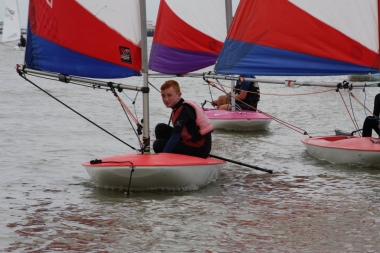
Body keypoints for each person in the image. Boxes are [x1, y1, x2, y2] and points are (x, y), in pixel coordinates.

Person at [153, 80, 213, 158]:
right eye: (163, 96)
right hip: (190, 141)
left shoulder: (184, 109)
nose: (166, 99)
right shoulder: (177, 107)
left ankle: (166, 157)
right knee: (160, 128)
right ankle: (170, 155)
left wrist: (163, 156)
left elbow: (175, 136)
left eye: (169, 95)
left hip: (200, 148)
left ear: (179, 95)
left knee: (158, 144)